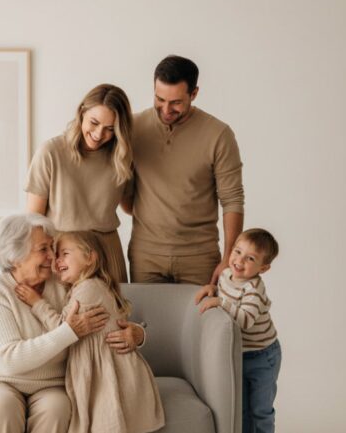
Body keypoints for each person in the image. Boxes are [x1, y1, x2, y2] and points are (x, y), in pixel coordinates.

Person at [0, 213, 144, 433]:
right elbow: (10, 361)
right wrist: (70, 331)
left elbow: (107, 313)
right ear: (14, 257)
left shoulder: (65, 283)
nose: (52, 257)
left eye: (53, 248)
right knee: (4, 408)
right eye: (43, 249)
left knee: (57, 409)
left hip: (51, 384)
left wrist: (138, 333)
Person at [15, 231, 164, 433]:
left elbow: (63, 329)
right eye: (56, 255)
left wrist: (37, 303)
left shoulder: (89, 288)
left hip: (108, 373)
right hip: (100, 369)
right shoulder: (84, 287)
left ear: (89, 257)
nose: (57, 261)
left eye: (65, 253)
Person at [122, 55, 245, 286]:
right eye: (159, 99)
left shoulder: (219, 134)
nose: (166, 109)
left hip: (200, 257)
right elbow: (125, 193)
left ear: (194, 94)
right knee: (143, 323)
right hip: (146, 255)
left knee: (201, 322)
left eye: (176, 102)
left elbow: (232, 200)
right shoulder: (133, 127)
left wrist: (228, 257)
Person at [26, 83, 133, 282]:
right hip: (63, 254)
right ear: (81, 112)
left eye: (110, 129)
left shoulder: (122, 156)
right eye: (94, 122)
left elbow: (130, 207)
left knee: (114, 312)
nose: (99, 134)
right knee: (61, 313)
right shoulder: (51, 152)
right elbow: (34, 219)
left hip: (106, 253)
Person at [195, 228, 281, 433]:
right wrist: (211, 289)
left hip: (263, 356)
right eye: (237, 251)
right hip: (238, 355)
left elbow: (245, 320)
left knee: (260, 410)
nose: (239, 261)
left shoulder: (254, 289)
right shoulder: (226, 275)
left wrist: (220, 302)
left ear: (264, 268)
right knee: (240, 408)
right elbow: (224, 292)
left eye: (250, 258)